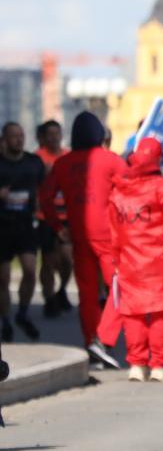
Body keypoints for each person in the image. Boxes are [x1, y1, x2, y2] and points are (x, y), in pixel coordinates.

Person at [38, 112, 127, 368]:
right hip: (108, 234)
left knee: (87, 293)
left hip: (77, 233)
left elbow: (45, 199)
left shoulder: (62, 163)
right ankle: (104, 340)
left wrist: (58, 226)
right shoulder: (112, 161)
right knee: (121, 286)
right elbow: (132, 191)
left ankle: (91, 343)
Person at [108, 137, 163, 381]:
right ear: (158, 159)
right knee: (162, 313)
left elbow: (114, 232)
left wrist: (116, 259)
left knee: (133, 313)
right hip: (161, 262)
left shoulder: (119, 191)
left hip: (129, 261)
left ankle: (137, 364)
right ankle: (159, 364)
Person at [1, 122, 45, 342]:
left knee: (30, 270)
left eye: (21, 135)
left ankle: (23, 311)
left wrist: (39, 204)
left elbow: (45, 187)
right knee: (4, 278)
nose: (18, 140)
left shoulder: (33, 163)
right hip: (2, 227)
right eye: (13, 136)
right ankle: (6, 319)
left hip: (25, 225)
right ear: (4, 139)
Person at [34, 120, 73, 318]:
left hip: (67, 216)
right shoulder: (37, 158)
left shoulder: (68, 156)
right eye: (50, 134)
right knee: (48, 262)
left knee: (67, 259)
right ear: (43, 137)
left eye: (57, 133)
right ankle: (49, 298)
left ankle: (62, 289)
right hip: (45, 217)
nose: (54, 137)